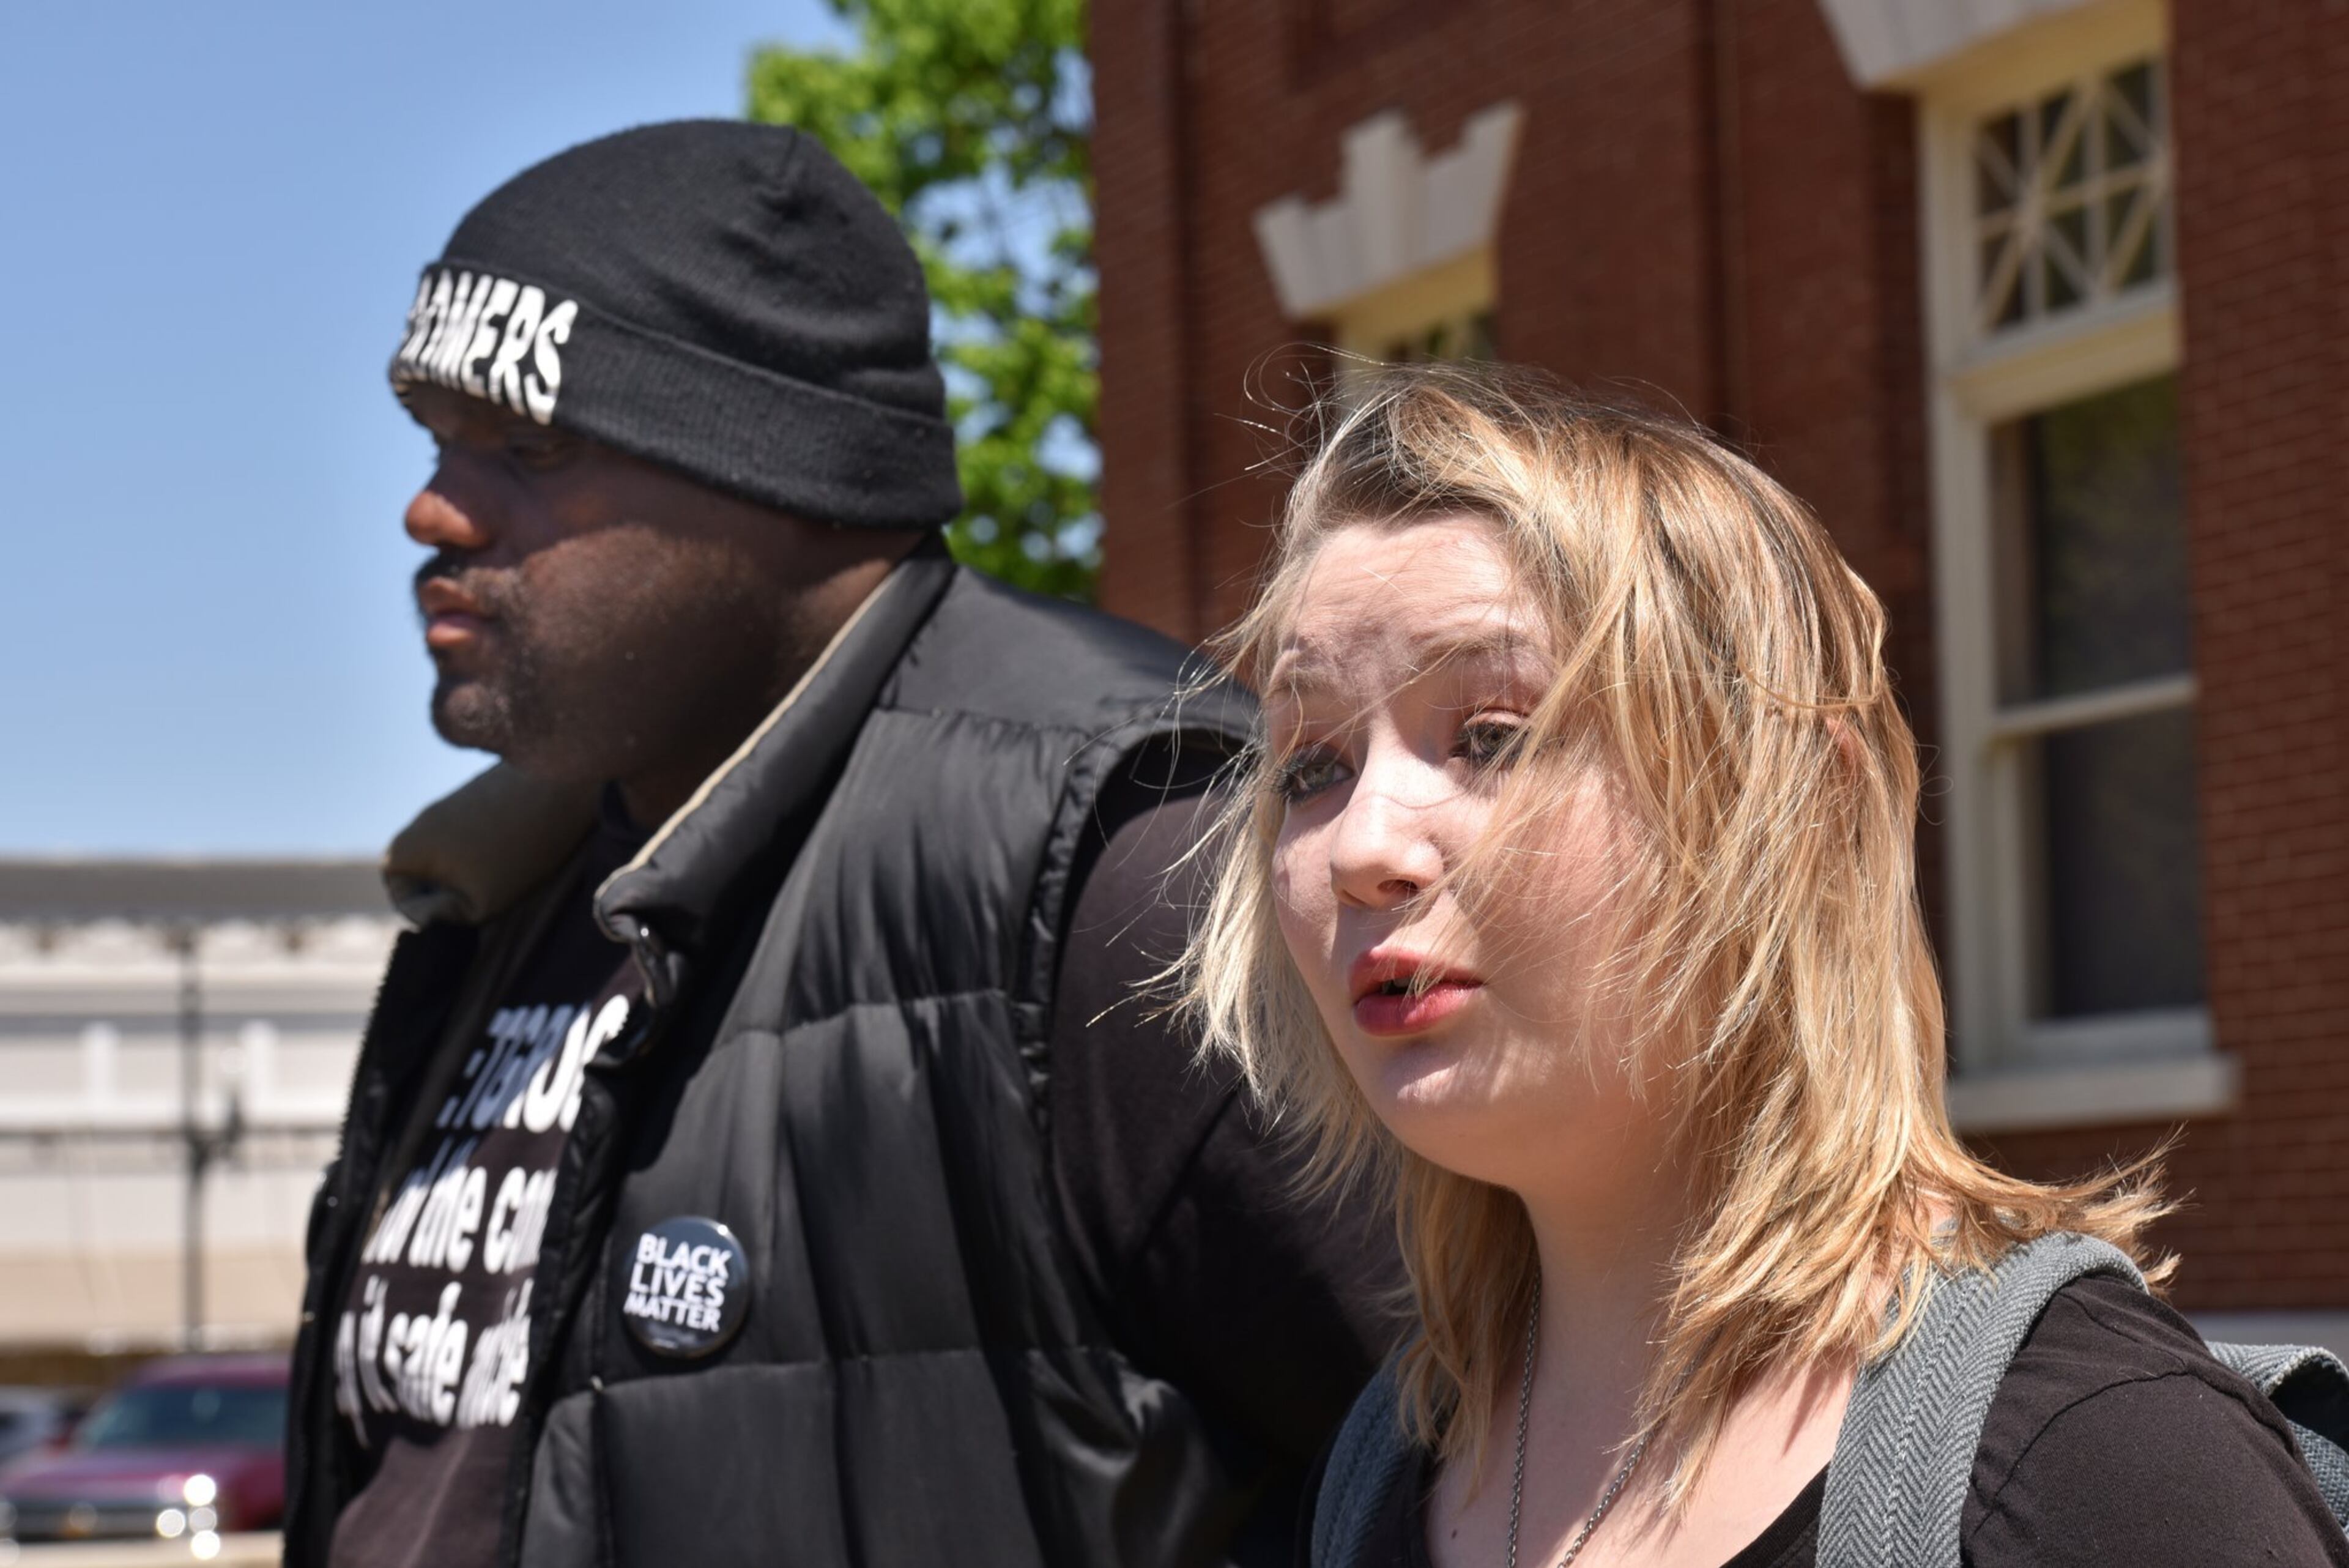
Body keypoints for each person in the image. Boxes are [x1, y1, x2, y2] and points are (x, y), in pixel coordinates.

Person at [282, 120, 1397, 1568]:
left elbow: (1489, 1442)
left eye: (526, 444)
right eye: (438, 441)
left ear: (789, 471)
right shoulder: (494, 899)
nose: (434, 506)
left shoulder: (1118, 860)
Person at [1179, 364, 2349, 1568]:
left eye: (1491, 735)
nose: (1364, 843)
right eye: (1310, 763)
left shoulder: (2108, 1470)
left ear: (1791, 809)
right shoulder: (1384, 1465)